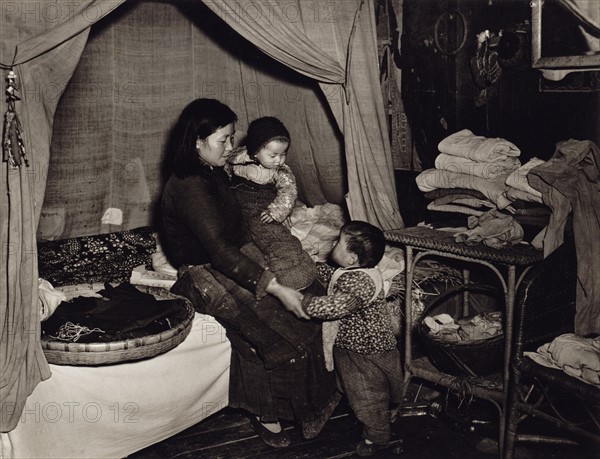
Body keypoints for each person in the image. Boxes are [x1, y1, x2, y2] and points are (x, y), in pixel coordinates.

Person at [160, 98, 339, 448]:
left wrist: (269, 265)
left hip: (229, 260)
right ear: (197, 140)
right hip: (202, 275)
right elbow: (219, 251)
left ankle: (293, 405)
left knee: (304, 314)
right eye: (223, 139)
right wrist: (273, 286)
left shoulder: (211, 171)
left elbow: (237, 235)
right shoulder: (189, 185)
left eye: (231, 138)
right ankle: (266, 412)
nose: (230, 147)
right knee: (279, 334)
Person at [301, 220, 403, 457]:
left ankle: (377, 436)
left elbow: (333, 307)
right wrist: (312, 266)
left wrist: (303, 303)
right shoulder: (354, 270)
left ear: (352, 260)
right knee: (356, 385)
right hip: (357, 345)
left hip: (364, 350)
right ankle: (381, 410)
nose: (333, 244)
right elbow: (334, 275)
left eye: (338, 242)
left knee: (367, 394)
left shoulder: (360, 282)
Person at [227, 116, 317, 291]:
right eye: (273, 155)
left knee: (275, 239)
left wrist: (275, 212)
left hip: (265, 212)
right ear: (254, 151)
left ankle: (291, 273)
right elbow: (225, 174)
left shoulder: (280, 172)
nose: (279, 160)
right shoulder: (237, 160)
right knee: (240, 242)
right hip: (239, 210)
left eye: (283, 154)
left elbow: (288, 193)